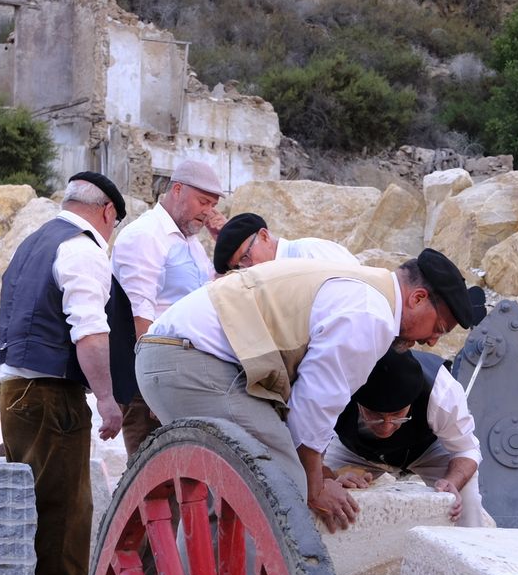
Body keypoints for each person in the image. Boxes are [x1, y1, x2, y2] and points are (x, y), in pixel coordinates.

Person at [135, 249, 485, 531]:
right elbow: (314, 404)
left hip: (176, 355)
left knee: (238, 491)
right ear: (418, 298)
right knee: (280, 484)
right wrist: (314, 486)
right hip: (195, 359)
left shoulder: (363, 288)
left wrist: (323, 475)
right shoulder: (372, 314)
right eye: (438, 328)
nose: (432, 341)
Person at [0, 172, 126, 575]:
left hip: (14, 386)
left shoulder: (32, 243)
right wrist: (106, 398)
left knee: (29, 495)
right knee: (65, 499)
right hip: (51, 390)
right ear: (107, 212)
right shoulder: (81, 249)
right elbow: (89, 331)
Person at [109, 159, 227, 454]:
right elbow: (142, 313)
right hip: (150, 380)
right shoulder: (145, 235)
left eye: (213, 205)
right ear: (177, 190)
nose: (208, 211)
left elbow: (208, 296)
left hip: (184, 374)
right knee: (152, 467)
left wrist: (223, 243)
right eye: (203, 201)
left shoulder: (191, 242)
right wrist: (154, 387)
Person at [325, 349, 489, 527]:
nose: (386, 428)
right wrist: (329, 477)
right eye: (375, 416)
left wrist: (452, 482)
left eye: (397, 415)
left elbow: (466, 449)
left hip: (427, 449)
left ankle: (469, 537)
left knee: (464, 498)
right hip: (354, 451)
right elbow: (307, 447)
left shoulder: (442, 392)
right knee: (317, 492)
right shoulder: (333, 388)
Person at [212, 212, 357, 273]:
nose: (246, 268)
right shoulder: (263, 283)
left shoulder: (308, 251)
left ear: (264, 237)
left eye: (245, 257)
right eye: (238, 268)